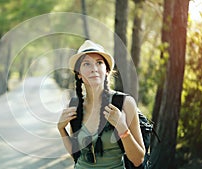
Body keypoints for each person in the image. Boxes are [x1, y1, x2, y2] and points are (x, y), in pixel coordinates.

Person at [57, 40, 145, 168]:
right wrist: (61, 129)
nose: (94, 69)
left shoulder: (124, 103)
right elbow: (77, 155)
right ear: (79, 74)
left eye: (99, 63)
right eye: (86, 64)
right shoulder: (75, 105)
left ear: (107, 71)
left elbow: (138, 159)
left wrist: (122, 128)